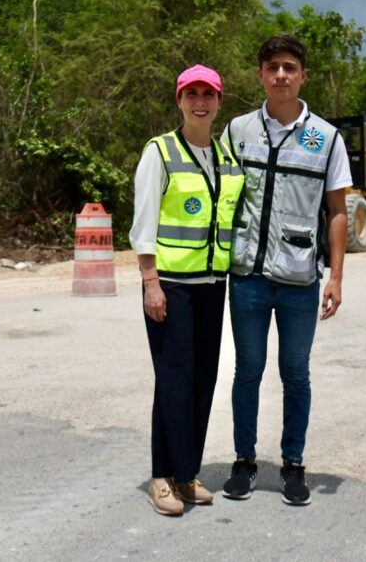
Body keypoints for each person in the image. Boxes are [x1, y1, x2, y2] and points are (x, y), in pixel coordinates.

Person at [219, 34, 350, 506]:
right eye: (272, 66)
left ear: (303, 76)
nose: (280, 75)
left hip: (299, 280)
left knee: (295, 372)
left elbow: (338, 211)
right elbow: (220, 199)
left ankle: (293, 465)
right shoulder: (236, 131)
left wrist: (335, 276)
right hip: (248, 277)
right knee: (247, 370)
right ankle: (244, 462)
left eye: (289, 67)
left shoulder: (327, 138)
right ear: (260, 74)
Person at [129, 64, 245, 516]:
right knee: (173, 380)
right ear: (179, 100)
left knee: (202, 380)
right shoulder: (160, 152)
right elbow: (143, 223)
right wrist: (150, 284)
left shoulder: (226, 159)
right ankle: (161, 477)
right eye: (191, 93)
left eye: (208, 94)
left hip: (213, 286)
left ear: (219, 102)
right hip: (171, 287)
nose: (200, 101)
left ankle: (186, 473)